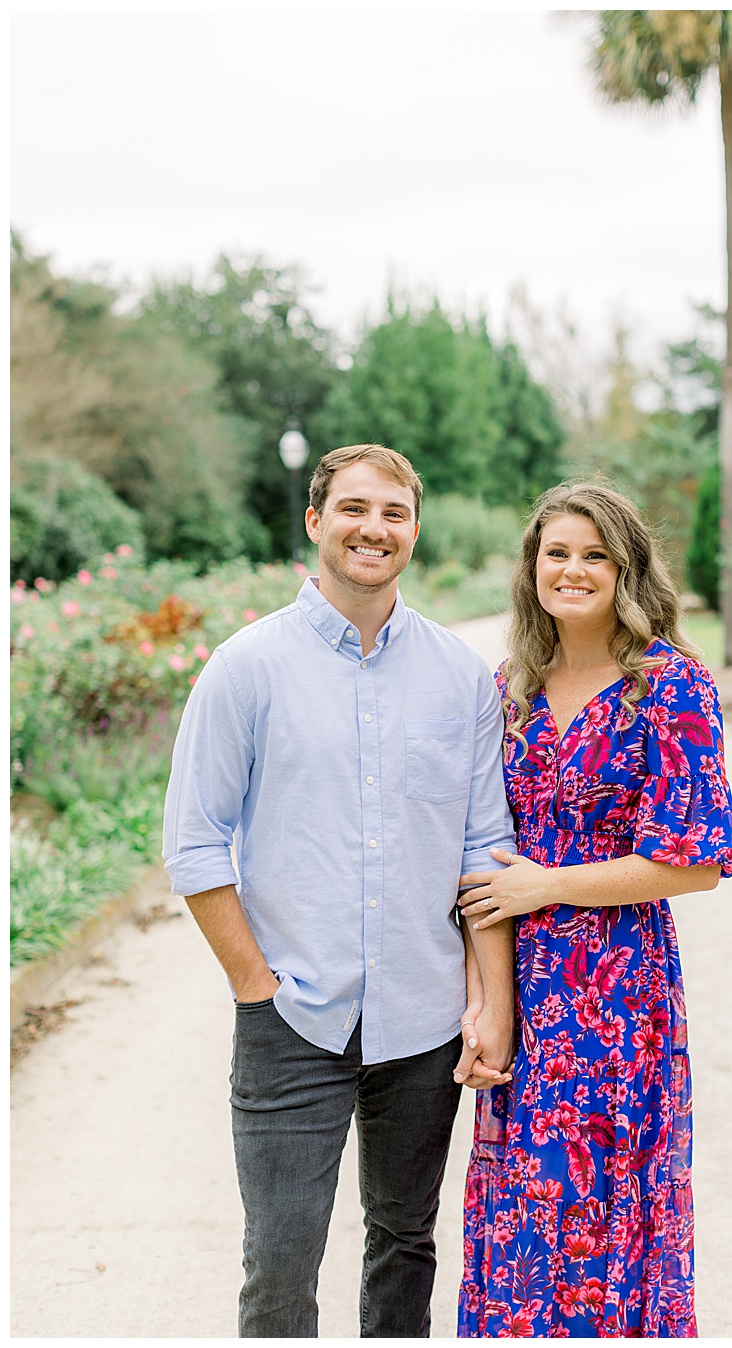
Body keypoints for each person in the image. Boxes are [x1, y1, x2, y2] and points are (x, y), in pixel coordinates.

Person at [163, 444, 517, 1337]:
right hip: (292, 1017)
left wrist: (487, 1001)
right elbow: (194, 843)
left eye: (394, 513)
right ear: (316, 521)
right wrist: (255, 984)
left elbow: (484, 850)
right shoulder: (245, 668)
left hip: (423, 1019)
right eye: (355, 509)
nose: (375, 528)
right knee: (279, 1261)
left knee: (405, 1244)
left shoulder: (463, 679)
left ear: (414, 531)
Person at [454, 479, 732, 1338]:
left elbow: (695, 864)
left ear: (626, 568)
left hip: (620, 995)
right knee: (524, 1216)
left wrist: (550, 884)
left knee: (608, 1204)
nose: (573, 570)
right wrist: (485, 1002)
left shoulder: (671, 688)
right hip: (526, 991)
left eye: (595, 554)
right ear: (531, 568)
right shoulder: (508, 691)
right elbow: (480, 861)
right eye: (557, 553)